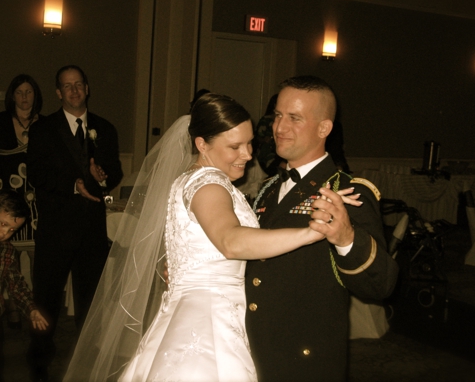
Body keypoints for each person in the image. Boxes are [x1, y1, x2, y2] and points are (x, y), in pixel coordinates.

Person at [63, 93, 360, 381]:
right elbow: (230, 242)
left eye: (249, 144)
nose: (248, 154)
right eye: (235, 146)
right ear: (202, 144)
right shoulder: (208, 185)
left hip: (203, 312)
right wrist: (312, 231)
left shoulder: (197, 180)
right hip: (207, 323)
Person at [245, 75, 399, 382]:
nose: (279, 128)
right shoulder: (267, 190)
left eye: (294, 118)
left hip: (304, 359)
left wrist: (347, 238)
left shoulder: (349, 191)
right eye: (277, 116)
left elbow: (381, 284)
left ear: (324, 128)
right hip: (250, 347)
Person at [26, 65, 123, 381]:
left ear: (87, 87)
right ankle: (40, 360)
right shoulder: (43, 129)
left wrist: (104, 176)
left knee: (91, 301)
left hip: (91, 232)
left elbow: (115, 170)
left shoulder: (104, 129)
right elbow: (38, 174)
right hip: (55, 230)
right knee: (47, 298)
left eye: (78, 84)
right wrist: (74, 183)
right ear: (58, 93)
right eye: (67, 86)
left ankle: (88, 359)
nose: (74, 90)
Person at [0, 74, 44, 330]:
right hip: (7, 198)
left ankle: (33, 307)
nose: (25, 97)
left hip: (35, 203)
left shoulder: (46, 124)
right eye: (20, 92)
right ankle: (12, 310)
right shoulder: (2, 121)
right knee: (9, 255)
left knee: (32, 259)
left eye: (29, 92)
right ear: (12, 95)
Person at [0, 189, 48, 380]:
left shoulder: (7, 251)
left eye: (12, 230)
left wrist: (31, 309)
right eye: (3, 224)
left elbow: (16, 284)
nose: (5, 233)